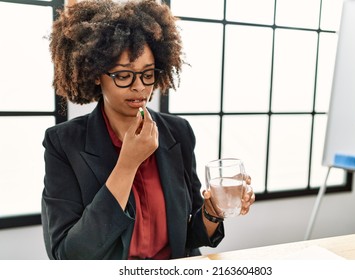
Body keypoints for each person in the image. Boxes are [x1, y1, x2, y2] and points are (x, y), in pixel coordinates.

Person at [41, 0, 255, 260]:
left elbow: (188, 238)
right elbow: (68, 255)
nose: (140, 87)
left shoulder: (178, 132)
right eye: (124, 75)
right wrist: (127, 164)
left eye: (148, 74)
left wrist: (213, 210)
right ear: (97, 74)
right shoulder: (64, 143)